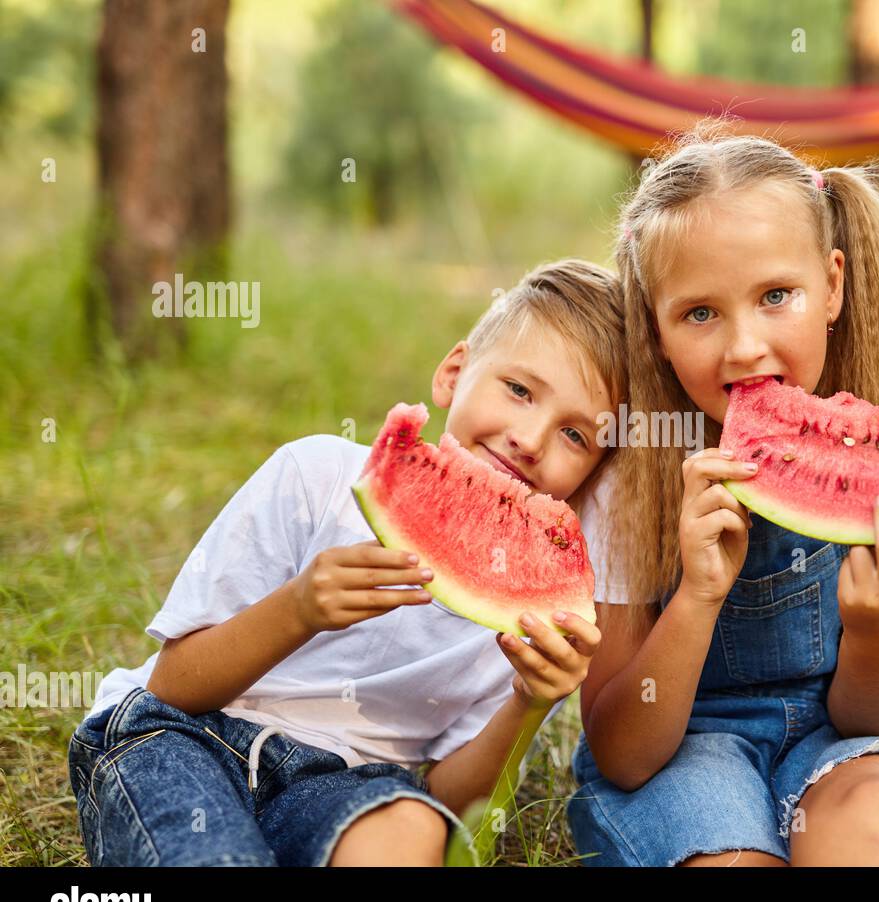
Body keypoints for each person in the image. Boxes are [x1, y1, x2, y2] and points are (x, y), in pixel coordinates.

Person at [68, 259, 625, 866]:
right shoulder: (317, 476)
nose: (530, 438)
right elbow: (173, 686)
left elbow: (452, 799)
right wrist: (299, 609)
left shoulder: (532, 616)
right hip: (183, 737)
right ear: (453, 373)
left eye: (576, 436)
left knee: (411, 827)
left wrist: (528, 701)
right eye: (519, 390)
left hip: (348, 785)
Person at [567, 126, 879, 866]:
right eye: (699, 313)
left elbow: (868, 716)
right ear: (654, 330)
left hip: (839, 744)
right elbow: (624, 753)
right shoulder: (625, 485)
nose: (744, 346)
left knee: (874, 827)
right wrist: (695, 595)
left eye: (776, 296)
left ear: (834, 286)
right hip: (684, 749)